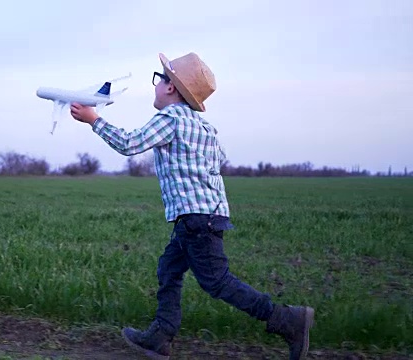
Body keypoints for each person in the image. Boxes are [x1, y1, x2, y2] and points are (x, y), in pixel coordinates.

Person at [69, 52, 315, 360]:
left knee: (217, 282)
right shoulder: (205, 127)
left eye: (159, 79)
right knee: (169, 268)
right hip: (207, 215)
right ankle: (160, 336)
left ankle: (287, 320)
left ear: (171, 88)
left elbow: (130, 144)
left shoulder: (169, 119)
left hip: (195, 220)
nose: (156, 85)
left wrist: (95, 120)